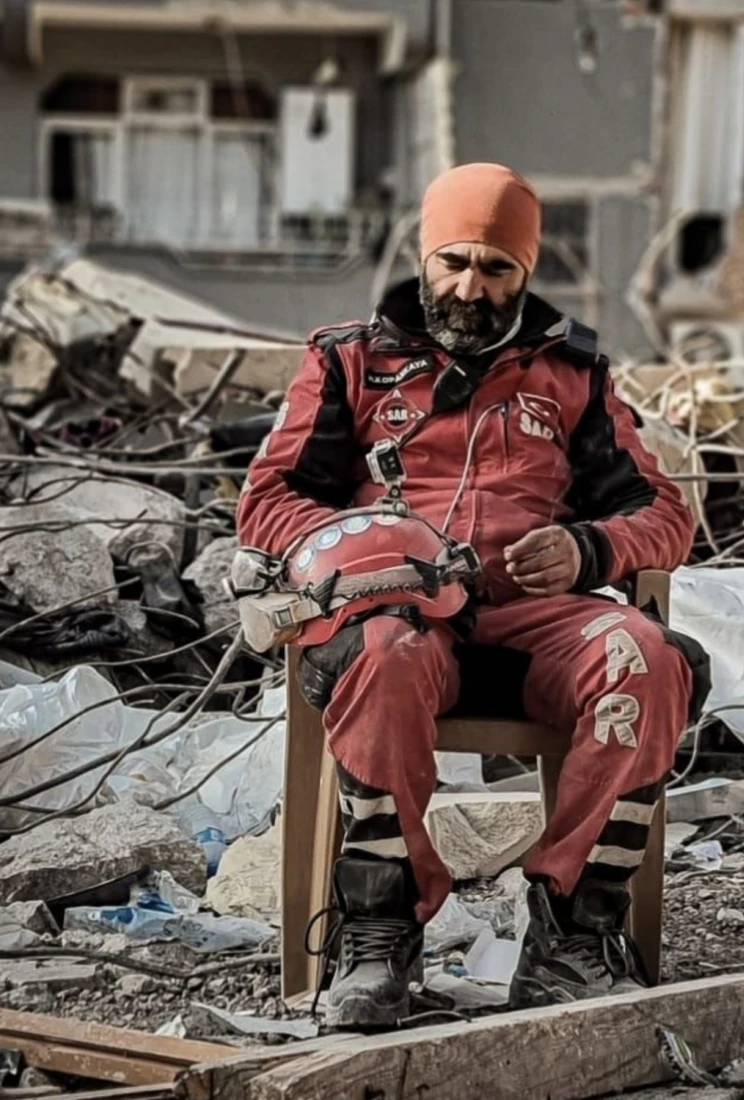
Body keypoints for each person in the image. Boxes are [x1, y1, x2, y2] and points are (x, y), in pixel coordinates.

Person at [236, 162, 708, 1028]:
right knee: (379, 656)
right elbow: (267, 503)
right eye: (453, 261)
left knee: (645, 658)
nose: (471, 286)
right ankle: (379, 937)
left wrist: (589, 546)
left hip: (534, 621)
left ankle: (571, 937)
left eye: (497, 268)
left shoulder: (577, 374)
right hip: (403, 617)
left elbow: (664, 513)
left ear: (527, 273)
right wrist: (371, 549)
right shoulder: (347, 361)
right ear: (425, 255)